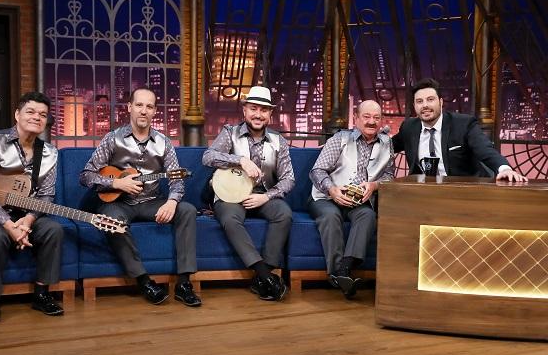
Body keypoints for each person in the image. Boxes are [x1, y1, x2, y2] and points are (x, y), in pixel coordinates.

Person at [80, 87, 201, 307]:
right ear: (129, 108)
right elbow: (86, 176)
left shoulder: (164, 142)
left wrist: (172, 201)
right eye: (139, 105)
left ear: (155, 111)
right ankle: (143, 281)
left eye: (149, 106)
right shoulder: (112, 139)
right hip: (118, 203)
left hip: (151, 202)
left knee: (188, 210)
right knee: (112, 221)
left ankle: (184, 283)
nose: (144, 111)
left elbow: (176, 178)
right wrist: (116, 183)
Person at [0, 92, 65, 323]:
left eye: (42, 114)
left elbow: (47, 195)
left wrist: (29, 219)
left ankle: (41, 294)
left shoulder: (51, 153)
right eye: (30, 112)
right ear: (17, 114)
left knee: (54, 230)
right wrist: (8, 224)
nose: (36, 118)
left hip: (26, 212)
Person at [202, 86, 294, 301]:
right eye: (254, 109)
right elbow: (207, 157)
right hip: (229, 195)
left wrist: (267, 196)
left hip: (262, 195)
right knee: (230, 218)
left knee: (284, 214)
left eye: (264, 110)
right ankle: (264, 274)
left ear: (270, 114)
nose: (258, 115)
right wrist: (240, 160)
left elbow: (289, 179)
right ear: (244, 111)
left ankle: (264, 276)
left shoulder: (278, 141)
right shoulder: (229, 133)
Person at [308, 100, 394, 299]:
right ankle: (337, 274)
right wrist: (332, 190)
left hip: (358, 202)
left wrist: (374, 186)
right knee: (330, 216)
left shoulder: (387, 143)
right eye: (366, 116)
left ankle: (345, 269)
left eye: (376, 117)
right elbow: (317, 170)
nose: (371, 121)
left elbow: (389, 175)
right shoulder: (340, 139)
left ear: (381, 120)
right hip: (326, 197)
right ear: (356, 118)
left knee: (367, 215)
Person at [392, 77, 527, 181]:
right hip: (424, 194)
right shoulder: (409, 127)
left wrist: (504, 169)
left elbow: (485, 149)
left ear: (441, 102)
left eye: (430, 99)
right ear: (414, 106)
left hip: (463, 191)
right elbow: (388, 146)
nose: (425, 105)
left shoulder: (463, 124)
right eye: (419, 101)